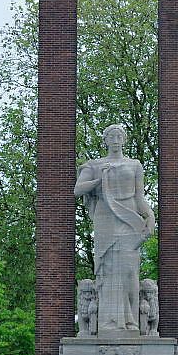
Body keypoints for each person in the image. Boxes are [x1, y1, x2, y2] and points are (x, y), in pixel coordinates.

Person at [74, 124, 155, 334]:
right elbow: (78, 189)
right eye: (112, 136)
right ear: (106, 140)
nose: (116, 139)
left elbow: (139, 197)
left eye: (119, 136)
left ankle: (131, 323)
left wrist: (150, 216)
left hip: (129, 216)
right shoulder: (94, 165)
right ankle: (107, 323)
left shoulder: (135, 165)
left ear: (124, 139)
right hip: (105, 218)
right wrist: (100, 180)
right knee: (107, 270)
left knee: (130, 270)